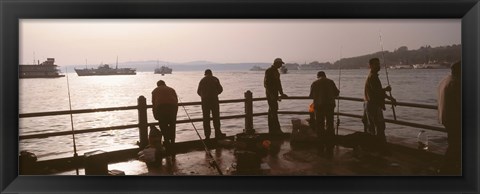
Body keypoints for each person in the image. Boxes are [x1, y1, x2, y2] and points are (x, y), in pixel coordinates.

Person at [363, 58, 396, 144]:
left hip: (371, 104)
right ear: (370, 66)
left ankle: (375, 145)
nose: (378, 66)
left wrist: (389, 98)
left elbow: (378, 91)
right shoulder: (372, 77)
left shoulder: (373, 76)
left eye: (378, 64)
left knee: (374, 126)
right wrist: (386, 89)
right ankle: (379, 146)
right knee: (379, 126)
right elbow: (377, 91)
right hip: (373, 105)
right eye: (376, 64)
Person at [437, 61, 461, 174]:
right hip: (455, 118)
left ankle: (449, 168)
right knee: (455, 145)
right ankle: (445, 169)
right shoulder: (456, 82)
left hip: (445, 116)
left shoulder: (444, 80)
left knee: (454, 143)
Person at [309, 71, 339, 157]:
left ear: (317, 76)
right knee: (330, 122)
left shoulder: (314, 83)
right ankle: (330, 140)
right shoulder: (331, 81)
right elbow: (336, 93)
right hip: (330, 105)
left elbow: (311, 96)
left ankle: (320, 141)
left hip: (319, 106)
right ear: (325, 75)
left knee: (319, 123)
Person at [197, 69, 225, 139]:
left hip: (205, 101)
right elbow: (220, 89)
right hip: (214, 100)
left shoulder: (202, 80)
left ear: (205, 74)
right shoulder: (215, 79)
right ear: (211, 73)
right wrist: (215, 94)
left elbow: (198, 91)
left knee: (206, 118)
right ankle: (217, 133)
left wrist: (203, 96)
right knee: (216, 117)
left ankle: (207, 135)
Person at [151, 80, 178, 150]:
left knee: (163, 125)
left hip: (161, 108)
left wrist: (155, 115)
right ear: (165, 84)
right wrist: (175, 113)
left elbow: (154, 104)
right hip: (172, 108)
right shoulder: (172, 89)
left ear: (157, 85)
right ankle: (173, 142)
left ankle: (167, 141)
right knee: (172, 125)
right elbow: (176, 101)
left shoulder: (155, 91)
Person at [264, 58, 288, 134]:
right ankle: (275, 129)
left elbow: (278, 83)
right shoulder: (269, 71)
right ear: (276, 63)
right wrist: (271, 95)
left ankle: (273, 129)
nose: (281, 65)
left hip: (274, 94)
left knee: (273, 110)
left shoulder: (276, 72)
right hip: (271, 94)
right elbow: (266, 84)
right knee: (273, 110)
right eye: (280, 64)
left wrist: (281, 93)